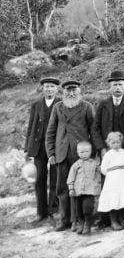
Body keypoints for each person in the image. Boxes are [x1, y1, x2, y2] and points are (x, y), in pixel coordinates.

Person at [46, 79, 94, 232]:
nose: (71, 93)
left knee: (79, 188)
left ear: (80, 91)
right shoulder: (57, 107)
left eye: (74, 90)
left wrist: (95, 152)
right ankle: (64, 219)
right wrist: (51, 152)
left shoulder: (87, 107)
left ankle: (78, 220)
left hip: (80, 154)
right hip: (62, 153)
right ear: (63, 92)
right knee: (62, 188)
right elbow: (51, 131)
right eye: (68, 90)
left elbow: (94, 130)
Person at [25, 77, 60, 223]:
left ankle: (54, 210)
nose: (49, 89)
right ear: (43, 88)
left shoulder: (60, 104)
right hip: (38, 146)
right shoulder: (36, 105)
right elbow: (31, 126)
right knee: (39, 179)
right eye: (46, 87)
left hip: (55, 146)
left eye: (52, 87)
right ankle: (41, 212)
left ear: (57, 89)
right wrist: (28, 148)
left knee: (55, 177)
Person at [91, 70, 124, 156]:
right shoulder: (103, 104)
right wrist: (101, 148)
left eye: (120, 84)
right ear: (110, 87)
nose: (117, 87)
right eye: (115, 85)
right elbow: (95, 128)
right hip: (107, 149)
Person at [98, 132, 124, 231]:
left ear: (121, 142)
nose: (116, 144)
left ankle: (122, 218)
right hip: (112, 179)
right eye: (113, 143)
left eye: (118, 142)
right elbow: (103, 169)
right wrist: (111, 175)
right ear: (108, 143)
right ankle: (114, 221)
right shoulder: (108, 154)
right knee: (114, 198)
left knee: (123, 198)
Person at [66, 140, 101, 236]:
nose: (84, 154)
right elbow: (71, 177)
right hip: (78, 190)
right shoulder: (76, 165)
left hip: (90, 190)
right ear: (77, 153)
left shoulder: (94, 163)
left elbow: (98, 175)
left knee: (87, 207)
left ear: (90, 152)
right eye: (81, 152)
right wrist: (71, 188)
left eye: (87, 152)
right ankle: (81, 223)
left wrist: (97, 188)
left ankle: (87, 224)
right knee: (78, 209)